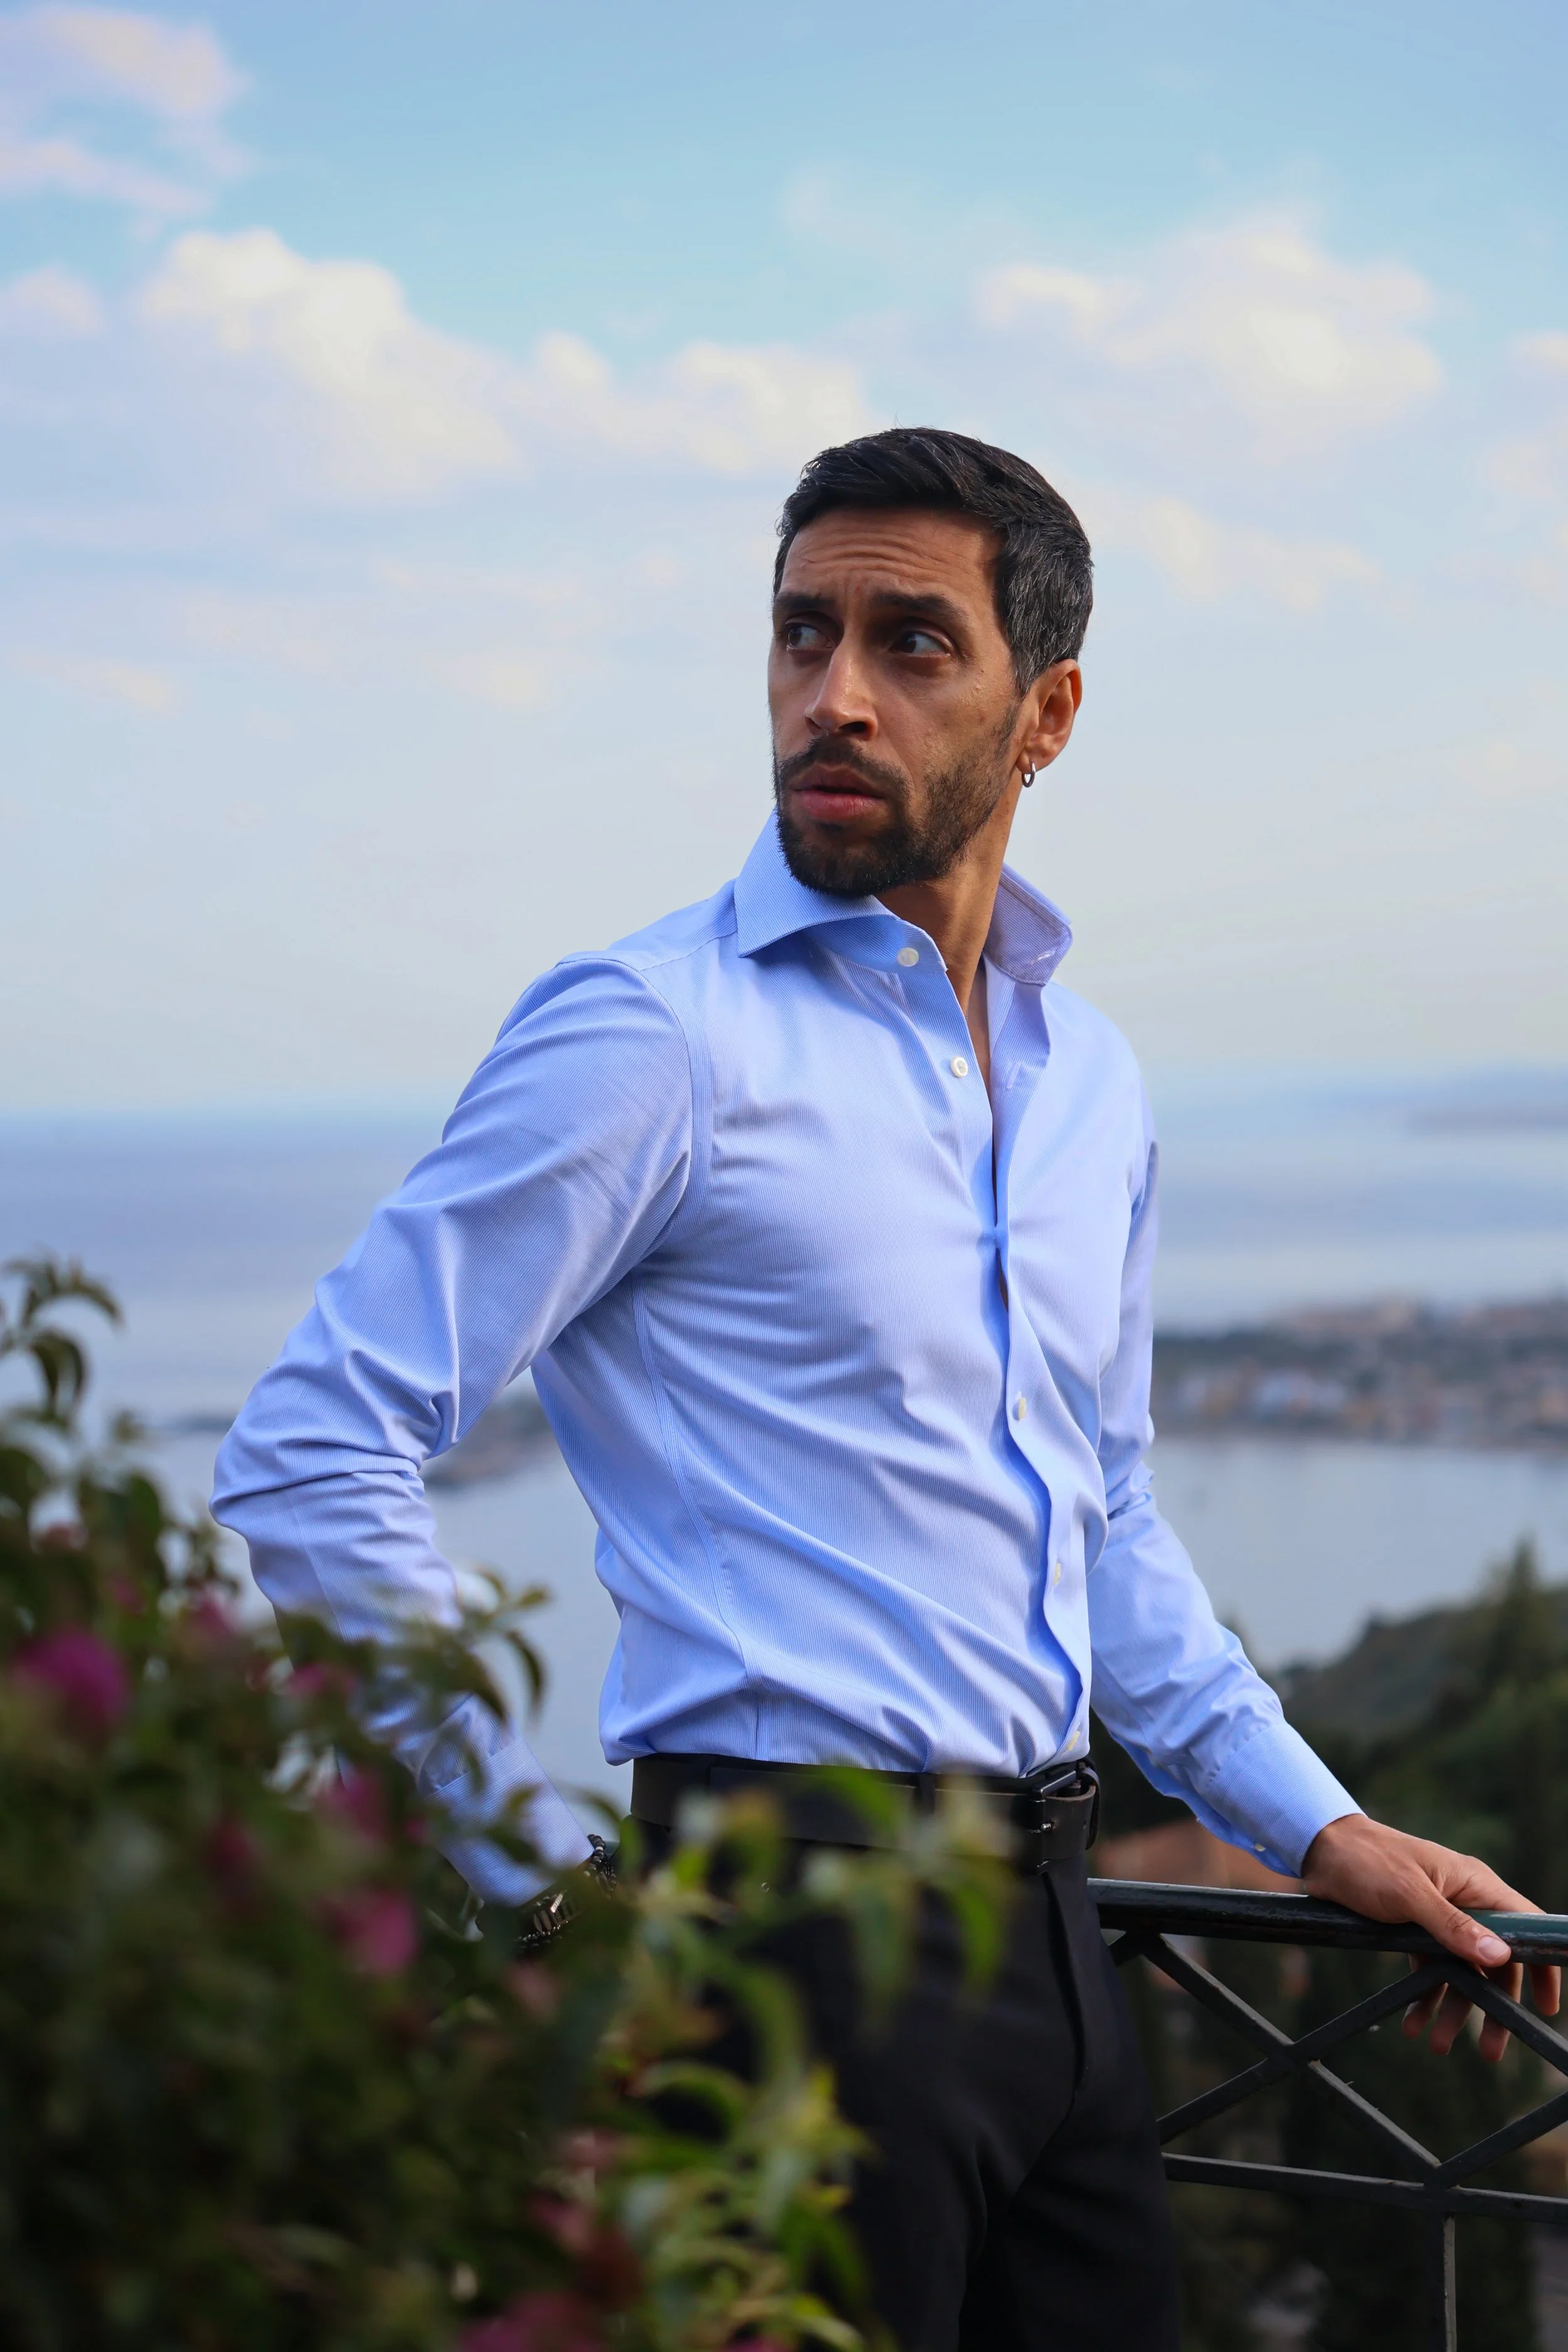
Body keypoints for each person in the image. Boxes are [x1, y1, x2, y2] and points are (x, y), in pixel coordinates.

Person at [213, 428, 1557, 2351]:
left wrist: (1314, 1825)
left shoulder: (1089, 1082)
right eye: (802, 632)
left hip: (1063, 1949)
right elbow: (310, 1450)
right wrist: (545, 1894)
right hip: (780, 1947)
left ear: (1046, 712)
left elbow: (1101, 1515)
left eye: (910, 641)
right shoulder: (654, 1034)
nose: (831, 693)